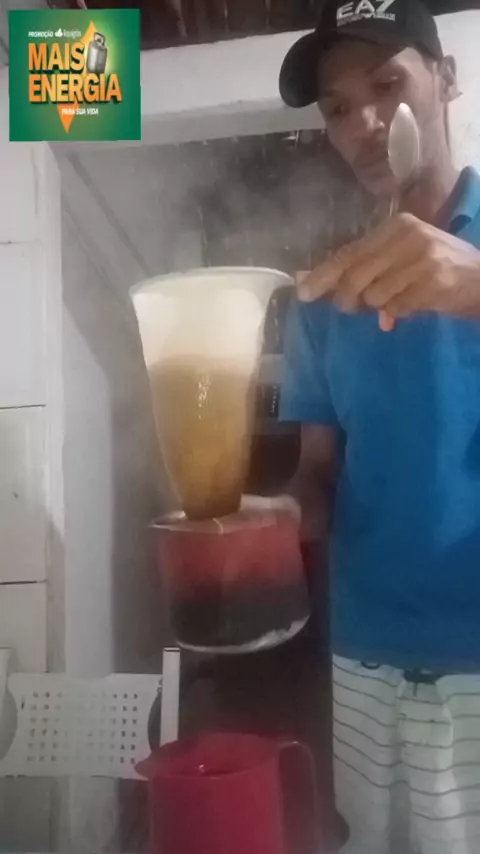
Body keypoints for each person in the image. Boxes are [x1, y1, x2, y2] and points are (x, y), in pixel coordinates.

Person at [276, 1, 480, 852]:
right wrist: (276, 521)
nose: (363, 122)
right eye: (337, 107)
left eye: (388, 83)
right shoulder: (326, 291)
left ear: (447, 79)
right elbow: (320, 468)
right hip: (364, 651)